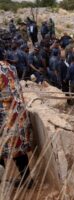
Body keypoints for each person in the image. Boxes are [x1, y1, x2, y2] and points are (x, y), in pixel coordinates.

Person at [0, 50, 34, 188]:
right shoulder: (10, 66)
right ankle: (27, 179)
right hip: (18, 115)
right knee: (18, 149)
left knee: (2, 149)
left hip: (5, 118)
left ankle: (2, 182)